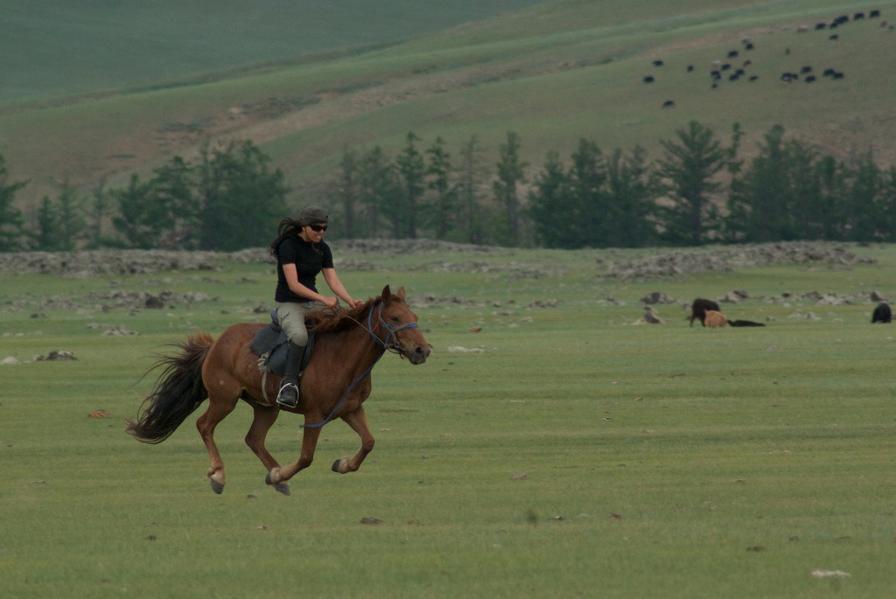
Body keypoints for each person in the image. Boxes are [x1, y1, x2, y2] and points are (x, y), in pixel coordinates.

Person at [268, 206, 363, 408]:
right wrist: (323, 299)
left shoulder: (323, 248)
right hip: (289, 303)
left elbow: (333, 280)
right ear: (304, 226)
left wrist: (350, 301)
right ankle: (289, 384)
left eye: (324, 228)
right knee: (300, 337)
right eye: (316, 228)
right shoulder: (288, 246)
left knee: (348, 323)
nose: (320, 232)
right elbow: (293, 284)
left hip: (314, 303)